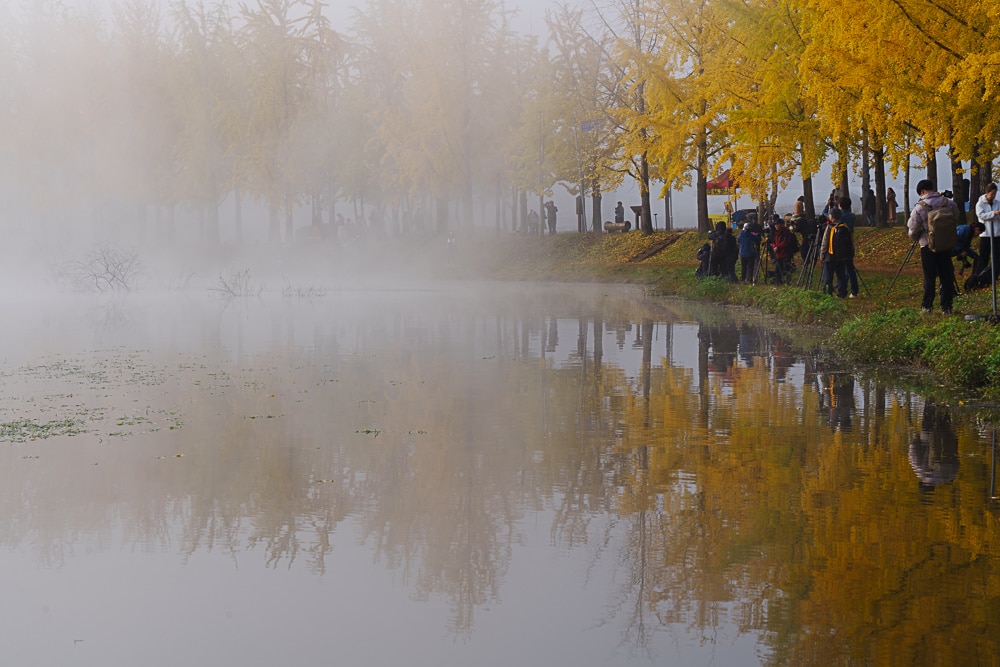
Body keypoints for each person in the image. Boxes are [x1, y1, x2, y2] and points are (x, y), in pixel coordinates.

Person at [907, 178, 959, 314]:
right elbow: (955, 217)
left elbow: (913, 229)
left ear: (922, 191)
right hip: (945, 244)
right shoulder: (948, 203)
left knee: (929, 276)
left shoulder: (919, 207)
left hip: (927, 245)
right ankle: (947, 307)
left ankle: (927, 306)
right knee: (946, 276)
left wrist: (916, 237)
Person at [821, 208, 852, 298]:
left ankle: (828, 293)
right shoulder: (845, 227)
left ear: (832, 216)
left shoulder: (830, 227)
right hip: (842, 257)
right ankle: (842, 293)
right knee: (841, 275)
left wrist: (822, 254)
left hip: (830, 256)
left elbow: (825, 242)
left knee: (828, 276)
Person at [974, 182, 1000, 278]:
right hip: (986, 234)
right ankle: (980, 274)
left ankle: (995, 273)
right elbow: (981, 215)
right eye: (992, 194)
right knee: (984, 255)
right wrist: (993, 213)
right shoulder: (980, 203)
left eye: (995, 194)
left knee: (997, 255)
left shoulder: (997, 203)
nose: (993, 196)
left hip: (997, 233)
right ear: (987, 192)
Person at [837, 197, 859, 297]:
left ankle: (842, 288)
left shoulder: (839, 216)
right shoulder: (852, 216)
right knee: (850, 268)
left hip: (839, 244)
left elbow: (827, 216)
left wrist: (827, 206)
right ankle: (854, 291)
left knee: (842, 268)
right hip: (850, 243)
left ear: (840, 205)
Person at [771, 218, 794, 284]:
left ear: (780, 225)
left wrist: (778, 247)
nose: (775, 226)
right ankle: (778, 281)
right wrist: (774, 246)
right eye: (775, 225)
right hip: (778, 254)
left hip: (785, 253)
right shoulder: (776, 233)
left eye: (777, 225)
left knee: (786, 267)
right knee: (778, 268)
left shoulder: (786, 232)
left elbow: (786, 242)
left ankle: (787, 281)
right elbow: (773, 241)